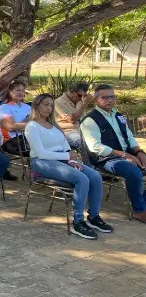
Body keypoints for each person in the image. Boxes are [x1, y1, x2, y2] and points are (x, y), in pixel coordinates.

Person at [26, 94, 111, 239]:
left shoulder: (54, 125)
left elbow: (65, 146)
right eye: (46, 104)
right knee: (82, 179)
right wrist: (67, 157)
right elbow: (41, 153)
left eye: (51, 105)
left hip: (62, 159)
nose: (49, 108)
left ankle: (94, 217)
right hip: (42, 162)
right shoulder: (32, 126)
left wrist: (71, 159)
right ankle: (78, 222)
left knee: (95, 176)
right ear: (36, 105)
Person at [81, 84, 146, 224]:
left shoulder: (118, 115)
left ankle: (143, 203)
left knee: (141, 164)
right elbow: (95, 147)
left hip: (127, 154)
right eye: (105, 97)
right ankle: (139, 210)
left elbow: (129, 137)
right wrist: (124, 155)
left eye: (112, 97)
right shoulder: (90, 120)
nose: (110, 100)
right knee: (133, 172)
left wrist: (139, 152)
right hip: (106, 159)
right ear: (95, 100)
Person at [0, 79, 31, 156]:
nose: (20, 92)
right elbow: (11, 127)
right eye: (17, 90)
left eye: (22, 90)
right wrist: (33, 124)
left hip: (28, 137)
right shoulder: (5, 107)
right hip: (12, 141)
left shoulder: (27, 107)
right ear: (10, 92)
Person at [54, 82, 91, 149]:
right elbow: (72, 120)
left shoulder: (79, 101)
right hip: (67, 132)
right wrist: (84, 104)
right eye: (80, 95)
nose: (81, 98)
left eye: (84, 96)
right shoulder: (58, 102)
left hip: (82, 130)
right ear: (71, 91)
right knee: (84, 143)